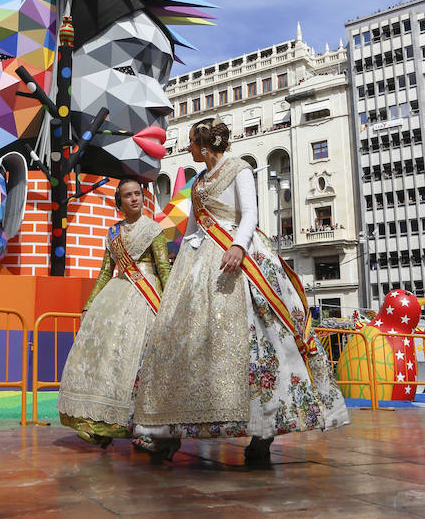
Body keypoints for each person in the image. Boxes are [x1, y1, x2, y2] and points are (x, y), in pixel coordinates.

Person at [132, 118, 349, 462]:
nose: (187, 148)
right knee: (183, 343)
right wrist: (180, 266)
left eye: (190, 142)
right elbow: (191, 227)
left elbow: (250, 214)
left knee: (261, 340)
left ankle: (262, 434)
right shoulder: (199, 180)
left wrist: (238, 245)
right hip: (198, 261)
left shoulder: (240, 169)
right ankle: (168, 430)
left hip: (237, 254)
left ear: (204, 146)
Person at [58, 177, 171, 446]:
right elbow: (104, 273)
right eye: (128, 195)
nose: (134, 198)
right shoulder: (113, 233)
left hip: (146, 297)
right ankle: (101, 424)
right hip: (115, 296)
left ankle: (148, 428)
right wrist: (89, 304)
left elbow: (164, 268)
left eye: (137, 194)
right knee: (107, 359)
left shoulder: (154, 230)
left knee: (139, 360)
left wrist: (170, 304)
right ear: (119, 202)